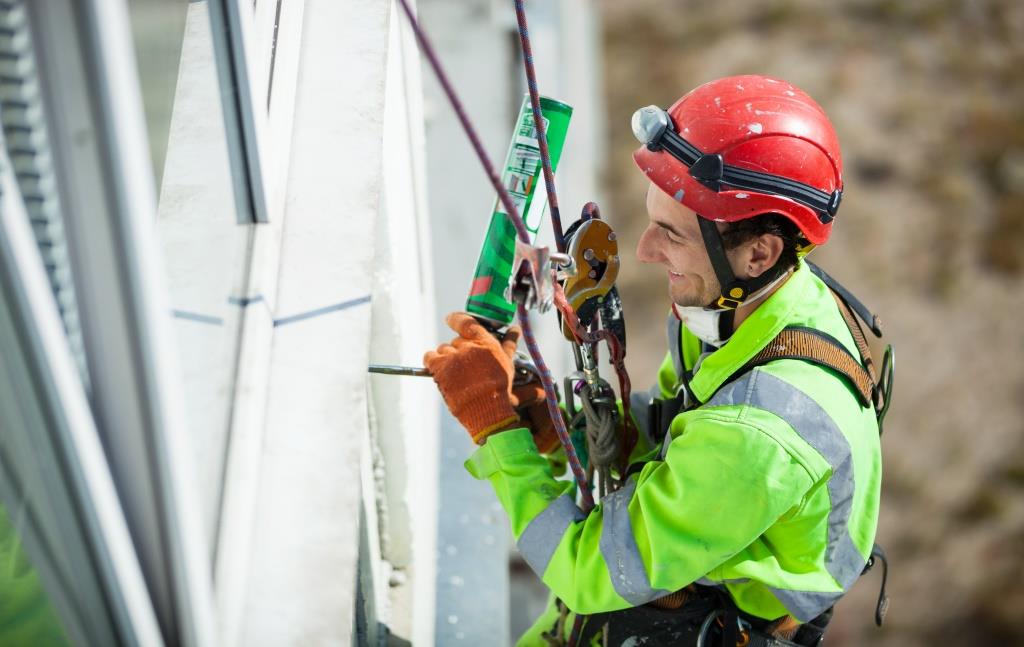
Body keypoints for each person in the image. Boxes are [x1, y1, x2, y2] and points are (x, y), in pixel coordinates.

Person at [425, 75, 883, 646]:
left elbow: (588, 570)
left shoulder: (758, 435)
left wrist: (499, 432)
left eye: (671, 234)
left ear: (758, 252)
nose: (643, 251)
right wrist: (560, 423)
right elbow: (676, 425)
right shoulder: (752, 310)